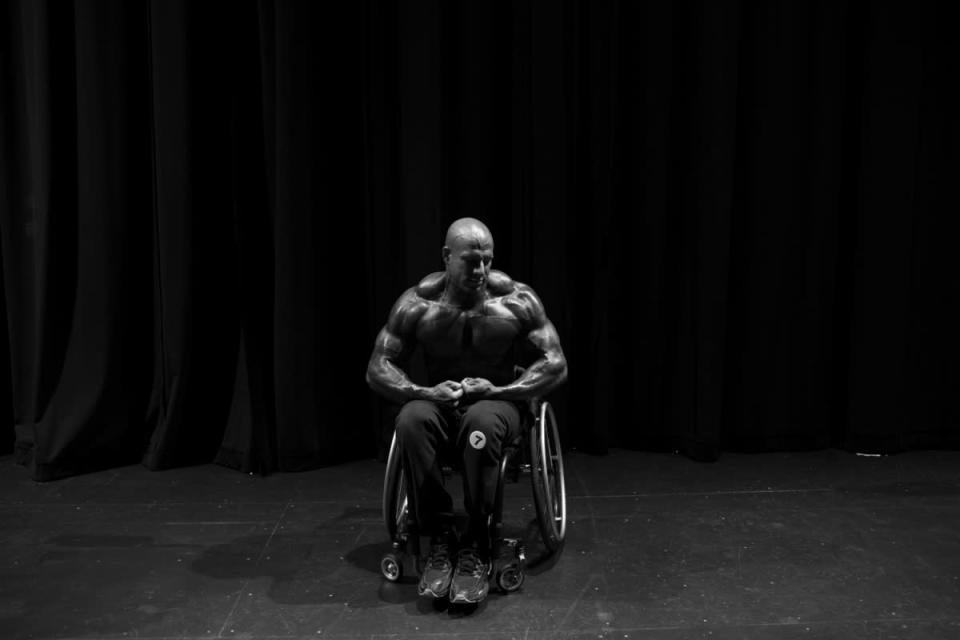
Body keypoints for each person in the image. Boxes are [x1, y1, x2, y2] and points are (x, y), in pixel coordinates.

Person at [366, 217, 567, 604]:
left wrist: (503, 389)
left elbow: (556, 362)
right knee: (410, 419)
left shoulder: (515, 300)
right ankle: (440, 534)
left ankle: (476, 539)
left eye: (487, 261)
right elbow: (377, 367)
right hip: (442, 401)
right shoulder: (418, 304)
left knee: (481, 422)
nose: (481, 271)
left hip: (498, 404)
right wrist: (421, 391)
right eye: (471, 261)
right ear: (446, 257)